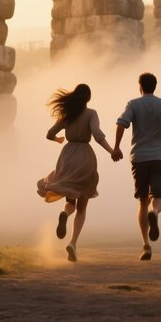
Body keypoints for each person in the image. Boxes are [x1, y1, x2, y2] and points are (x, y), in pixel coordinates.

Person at [36, 83, 117, 262]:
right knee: (83, 206)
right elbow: (97, 135)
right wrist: (112, 151)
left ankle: (65, 213)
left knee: (70, 200)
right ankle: (72, 243)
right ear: (88, 98)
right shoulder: (91, 113)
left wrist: (58, 140)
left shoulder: (67, 114)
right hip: (85, 157)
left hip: (67, 156)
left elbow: (49, 133)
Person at [112, 72, 161, 261]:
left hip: (140, 158)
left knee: (142, 200)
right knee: (158, 196)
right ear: (155, 86)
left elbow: (121, 123)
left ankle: (146, 245)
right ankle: (155, 213)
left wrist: (117, 146)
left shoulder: (133, 104)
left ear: (140, 86)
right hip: (160, 156)